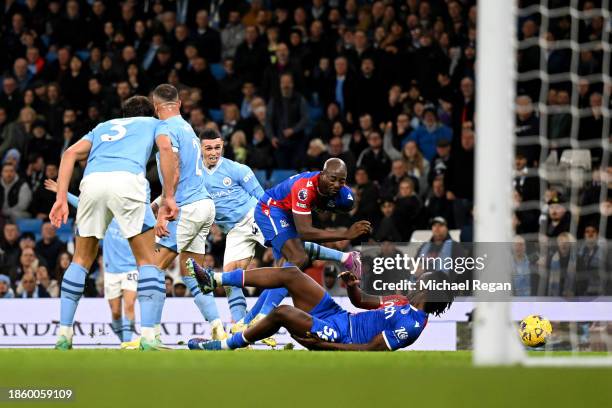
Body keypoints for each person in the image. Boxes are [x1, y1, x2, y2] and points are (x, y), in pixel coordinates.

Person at [49, 95, 173, 351]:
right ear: (150, 113)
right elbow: (165, 149)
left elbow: (70, 153)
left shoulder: (104, 126)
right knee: (147, 261)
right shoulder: (154, 124)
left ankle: (64, 334)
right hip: (127, 181)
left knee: (80, 260)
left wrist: (61, 197)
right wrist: (169, 195)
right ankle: (149, 337)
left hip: (92, 183)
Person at [186, 262, 454, 351]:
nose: (415, 281)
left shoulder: (413, 325)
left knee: (283, 313)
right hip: (338, 315)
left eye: (421, 281)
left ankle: (223, 345)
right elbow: (360, 301)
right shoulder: (401, 300)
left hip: (339, 335)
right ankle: (215, 279)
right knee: (291, 273)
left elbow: (370, 350)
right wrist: (352, 285)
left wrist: (324, 346)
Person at [246, 158, 371, 329]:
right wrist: (346, 234)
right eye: (332, 179)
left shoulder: (345, 197)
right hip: (270, 209)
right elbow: (305, 231)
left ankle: (246, 323)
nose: (336, 184)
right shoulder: (304, 188)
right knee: (298, 258)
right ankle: (262, 316)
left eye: (341, 180)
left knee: (283, 275)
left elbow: (329, 209)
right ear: (322, 174)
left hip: (289, 214)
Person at [151, 84, 224, 340]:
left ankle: (150, 334)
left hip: (187, 207)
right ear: (179, 104)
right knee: (191, 272)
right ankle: (217, 326)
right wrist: (161, 198)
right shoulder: (188, 129)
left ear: (156, 107)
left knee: (153, 268)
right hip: (204, 205)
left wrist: (165, 204)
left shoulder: (165, 129)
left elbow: (173, 166)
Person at [46, 179, 140, 347]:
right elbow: (82, 203)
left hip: (131, 268)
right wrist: (62, 192)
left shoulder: (132, 214)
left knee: (130, 305)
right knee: (116, 313)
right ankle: (123, 342)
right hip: (111, 270)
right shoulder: (107, 216)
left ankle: (127, 344)